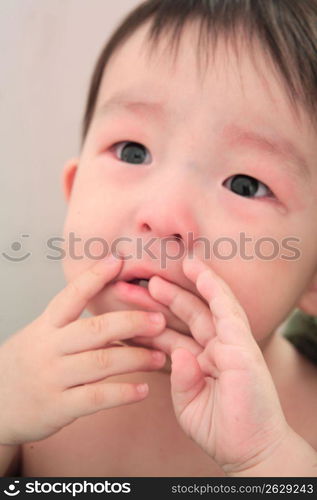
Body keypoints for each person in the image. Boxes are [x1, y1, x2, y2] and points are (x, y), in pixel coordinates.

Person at [1, 0, 317, 477]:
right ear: (73, 190)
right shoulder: (19, 384)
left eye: (246, 185)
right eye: (133, 151)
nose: (163, 214)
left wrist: (267, 462)